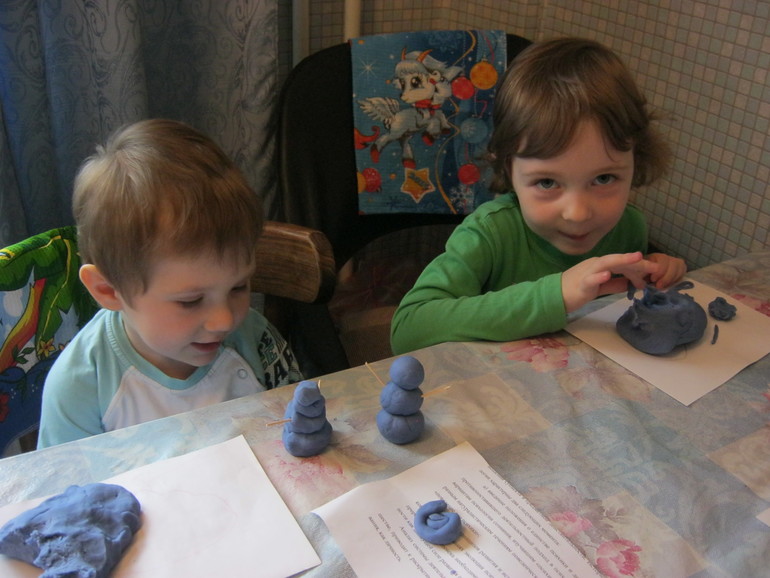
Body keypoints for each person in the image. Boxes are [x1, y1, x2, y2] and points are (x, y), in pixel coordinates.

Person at [391, 37, 687, 355]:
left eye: (604, 178)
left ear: (636, 162)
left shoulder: (629, 228)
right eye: (547, 182)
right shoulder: (488, 234)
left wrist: (653, 271)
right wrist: (554, 297)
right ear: (509, 169)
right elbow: (408, 329)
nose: (578, 213)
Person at [38, 119, 301, 448]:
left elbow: (296, 423)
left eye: (238, 287)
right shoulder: (81, 386)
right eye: (190, 301)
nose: (225, 320)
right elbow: (64, 480)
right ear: (108, 290)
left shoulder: (256, 339)